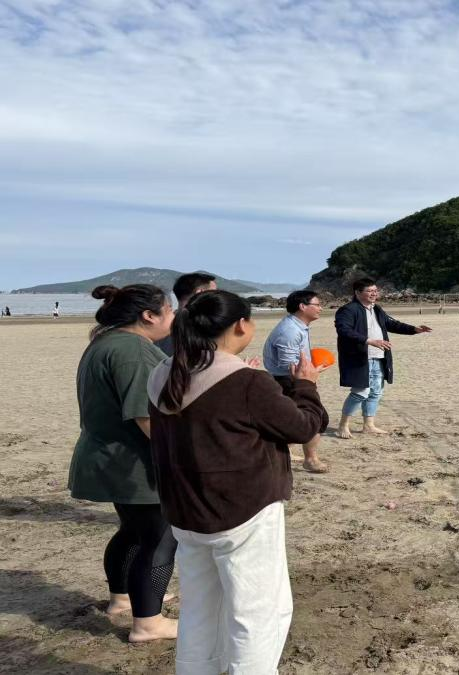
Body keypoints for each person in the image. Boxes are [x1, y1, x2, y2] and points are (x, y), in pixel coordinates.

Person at [148, 290, 327, 672]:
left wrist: (249, 379)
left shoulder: (163, 372)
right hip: (242, 510)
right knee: (259, 612)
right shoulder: (245, 381)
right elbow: (304, 426)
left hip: (184, 510)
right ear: (241, 325)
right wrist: (306, 385)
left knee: (201, 609)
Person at [67, 284, 178, 642]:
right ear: (149, 315)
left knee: (132, 532)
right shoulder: (132, 349)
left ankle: (123, 598)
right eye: (169, 310)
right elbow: (147, 417)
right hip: (132, 463)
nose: (173, 317)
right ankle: (148, 622)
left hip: (107, 457)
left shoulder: (105, 341)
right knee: (160, 538)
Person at [335, 279, 432, 437]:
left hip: (379, 357)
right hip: (359, 358)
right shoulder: (348, 310)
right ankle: (343, 426)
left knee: (376, 392)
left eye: (375, 290)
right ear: (357, 292)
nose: (374, 293)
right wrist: (369, 341)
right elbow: (343, 330)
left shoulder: (377, 309)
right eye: (369, 291)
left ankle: (369, 425)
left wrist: (415, 329)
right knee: (360, 392)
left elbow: (392, 324)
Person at [263, 290, 330, 473]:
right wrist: (312, 372)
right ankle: (310, 460)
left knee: (299, 419)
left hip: (292, 378)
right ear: (302, 306)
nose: (320, 308)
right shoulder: (290, 331)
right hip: (288, 380)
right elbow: (288, 365)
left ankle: (286, 452)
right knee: (316, 418)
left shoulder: (297, 326)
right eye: (317, 304)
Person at [155, 273, 218, 356]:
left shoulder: (160, 325)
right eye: (214, 293)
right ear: (200, 293)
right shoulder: (206, 327)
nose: (218, 298)